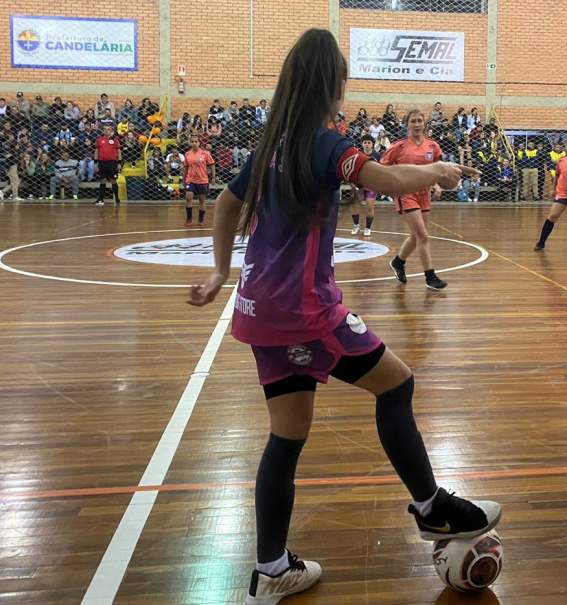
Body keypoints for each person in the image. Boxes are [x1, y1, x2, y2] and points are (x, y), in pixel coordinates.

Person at [186, 30, 499, 605]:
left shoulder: (271, 146)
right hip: (305, 312)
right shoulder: (325, 143)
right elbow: (389, 179)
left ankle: (272, 567)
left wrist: (220, 273)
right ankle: (433, 511)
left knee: (287, 435)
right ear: (332, 84)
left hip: (259, 310)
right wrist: (439, 171)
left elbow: (229, 204)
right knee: (398, 384)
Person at [382, 109, 448, 291]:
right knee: (423, 236)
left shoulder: (433, 146)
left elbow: (439, 169)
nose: (417, 124)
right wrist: (392, 185)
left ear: (424, 123)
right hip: (406, 193)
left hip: (424, 193)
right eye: (413, 121)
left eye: (420, 120)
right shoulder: (399, 146)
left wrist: (438, 184)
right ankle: (430, 276)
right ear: (407, 124)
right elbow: (382, 167)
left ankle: (398, 262)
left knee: (416, 235)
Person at [351, 136, 381, 236]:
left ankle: (368, 228)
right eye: (365, 142)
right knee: (355, 205)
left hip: (371, 184)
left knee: (370, 206)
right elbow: (353, 168)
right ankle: (356, 225)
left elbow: (381, 170)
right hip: (359, 183)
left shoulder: (377, 155)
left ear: (372, 144)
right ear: (362, 144)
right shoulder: (357, 154)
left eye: (369, 142)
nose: (367, 144)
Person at [183, 138, 215, 227]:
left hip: (202, 180)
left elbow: (212, 165)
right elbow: (185, 167)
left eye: (196, 141)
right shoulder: (187, 154)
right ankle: (189, 219)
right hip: (190, 180)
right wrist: (184, 178)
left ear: (199, 143)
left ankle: (201, 220)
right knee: (188, 197)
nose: (194, 143)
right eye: (192, 141)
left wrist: (213, 177)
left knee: (202, 200)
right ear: (190, 143)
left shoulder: (205, 153)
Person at [94, 125, 121, 205]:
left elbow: (119, 151)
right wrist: (96, 162)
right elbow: (96, 150)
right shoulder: (99, 140)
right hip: (102, 162)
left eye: (108, 129)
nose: (107, 131)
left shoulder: (115, 140)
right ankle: (101, 199)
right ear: (103, 131)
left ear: (111, 131)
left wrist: (119, 162)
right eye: (105, 129)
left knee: (113, 180)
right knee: (102, 180)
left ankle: (117, 198)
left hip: (112, 163)